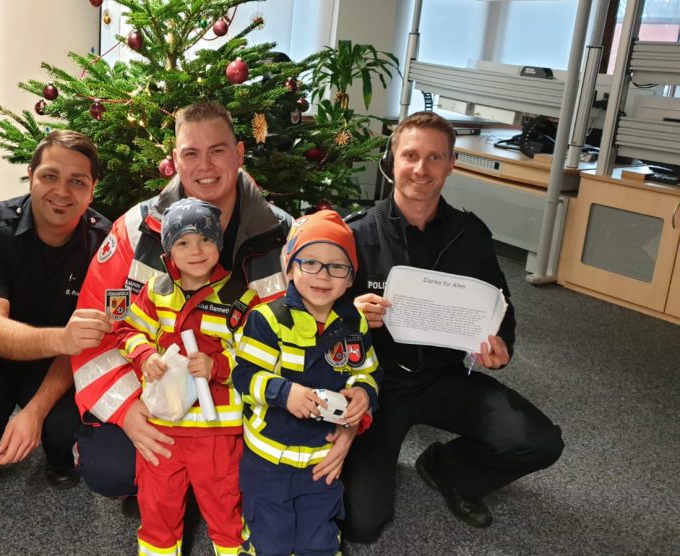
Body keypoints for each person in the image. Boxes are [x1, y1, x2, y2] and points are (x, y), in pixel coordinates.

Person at [71, 101, 346, 505]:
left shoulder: (286, 235)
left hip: (256, 400)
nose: (206, 166)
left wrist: (337, 415)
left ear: (239, 153)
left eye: (218, 151)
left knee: (310, 489)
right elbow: (97, 329)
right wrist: (128, 411)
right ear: (174, 161)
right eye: (191, 153)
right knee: (112, 468)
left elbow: (324, 333)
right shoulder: (135, 230)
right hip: (158, 399)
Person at [341, 111, 565, 542]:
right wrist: (352, 313)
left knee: (540, 442)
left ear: (451, 164)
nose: (421, 169)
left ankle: (447, 468)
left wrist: (502, 348)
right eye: (410, 155)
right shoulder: (357, 234)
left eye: (434, 157)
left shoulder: (470, 235)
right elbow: (311, 312)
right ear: (392, 160)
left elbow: (502, 306)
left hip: (445, 380)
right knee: (361, 524)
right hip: (376, 386)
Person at [0, 130, 112, 494]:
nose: (62, 192)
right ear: (30, 175)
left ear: (92, 189)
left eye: (76, 181)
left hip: (57, 358)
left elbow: (84, 341)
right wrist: (64, 337)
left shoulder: (104, 244)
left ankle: (60, 453)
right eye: (50, 176)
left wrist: (34, 412)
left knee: (66, 425)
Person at [232, 210, 381, 555]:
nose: (323, 275)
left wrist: (362, 392)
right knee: (272, 538)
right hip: (271, 460)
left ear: (350, 278)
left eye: (337, 266)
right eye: (310, 262)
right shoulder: (267, 318)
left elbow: (368, 371)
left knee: (319, 536)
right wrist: (284, 393)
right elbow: (244, 376)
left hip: (322, 457)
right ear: (290, 268)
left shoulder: (353, 321)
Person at [116, 198, 257, 554]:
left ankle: (230, 549)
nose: (195, 250)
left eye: (206, 240)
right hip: (163, 427)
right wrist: (145, 355)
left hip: (217, 433)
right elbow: (127, 333)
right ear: (168, 249)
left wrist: (218, 366)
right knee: (157, 504)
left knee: (225, 503)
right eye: (182, 242)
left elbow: (257, 356)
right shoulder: (156, 292)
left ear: (219, 245)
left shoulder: (240, 299)